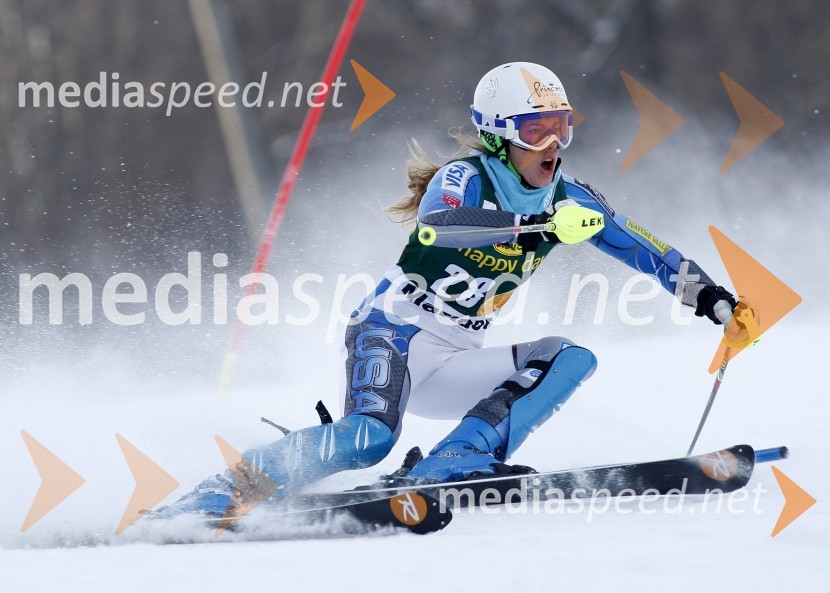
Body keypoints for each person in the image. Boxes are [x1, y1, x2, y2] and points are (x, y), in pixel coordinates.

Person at [157, 62, 746, 518]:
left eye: (561, 126)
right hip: (393, 331)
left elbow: (646, 249)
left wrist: (715, 300)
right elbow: (440, 229)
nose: (553, 145)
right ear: (497, 136)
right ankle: (220, 494)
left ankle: (452, 462)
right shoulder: (463, 177)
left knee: (570, 357)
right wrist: (536, 226)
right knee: (366, 440)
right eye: (536, 130)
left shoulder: (572, 197)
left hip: (457, 354)